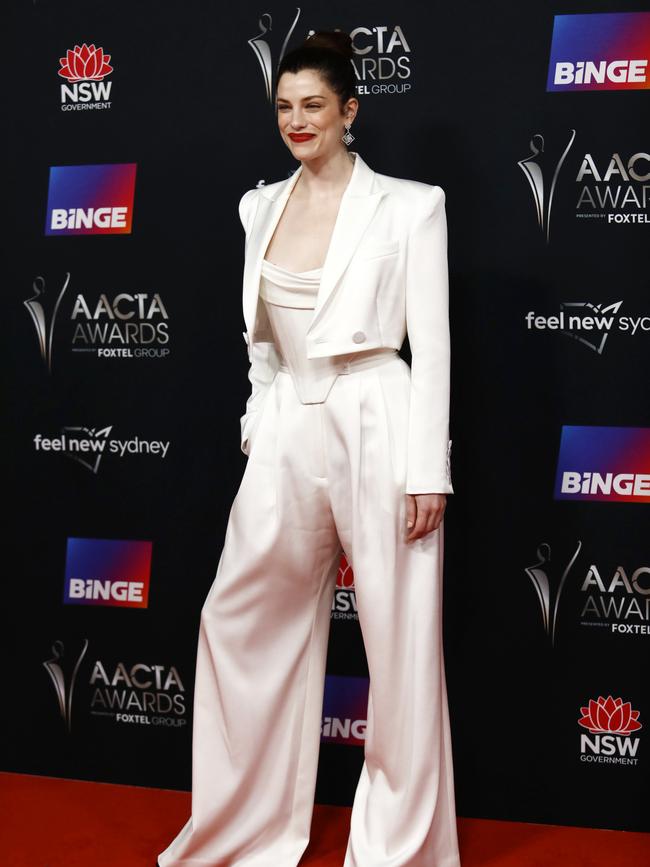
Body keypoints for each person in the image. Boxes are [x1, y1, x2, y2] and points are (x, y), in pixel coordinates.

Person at [158, 29, 461, 867]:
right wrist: (262, 421)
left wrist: (425, 466)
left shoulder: (411, 204)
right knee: (238, 617)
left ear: (349, 110)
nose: (297, 120)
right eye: (285, 106)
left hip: (377, 414)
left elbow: (429, 346)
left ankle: (396, 850)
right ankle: (246, 829)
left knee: (398, 642)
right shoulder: (259, 206)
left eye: (314, 106)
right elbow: (258, 341)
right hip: (291, 419)